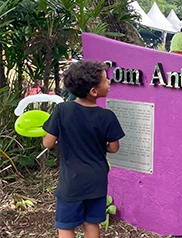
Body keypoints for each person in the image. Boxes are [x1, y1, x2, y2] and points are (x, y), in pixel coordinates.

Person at [42, 61, 125, 238]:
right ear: (93, 92)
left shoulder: (62, 110)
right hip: (96, 181)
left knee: (66, 227)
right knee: (92, 223)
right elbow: (114, 148)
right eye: (105, 80)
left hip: (71, 182)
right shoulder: (107, 116)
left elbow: (48, 143)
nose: (109, 81)